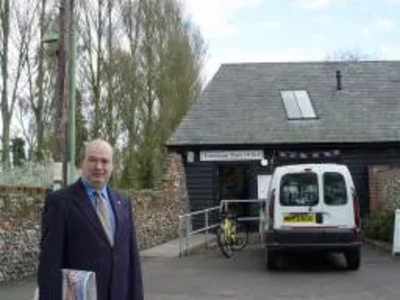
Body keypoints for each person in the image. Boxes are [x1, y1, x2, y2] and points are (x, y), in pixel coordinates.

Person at [37, 139, 144, 300]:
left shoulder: (123, 202)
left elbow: (132, 260)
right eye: (92, 159)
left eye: (104, 161)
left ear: (113, 166)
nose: (99, 167)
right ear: (82, 162)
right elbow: (49, 265)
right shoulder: (60, 202)